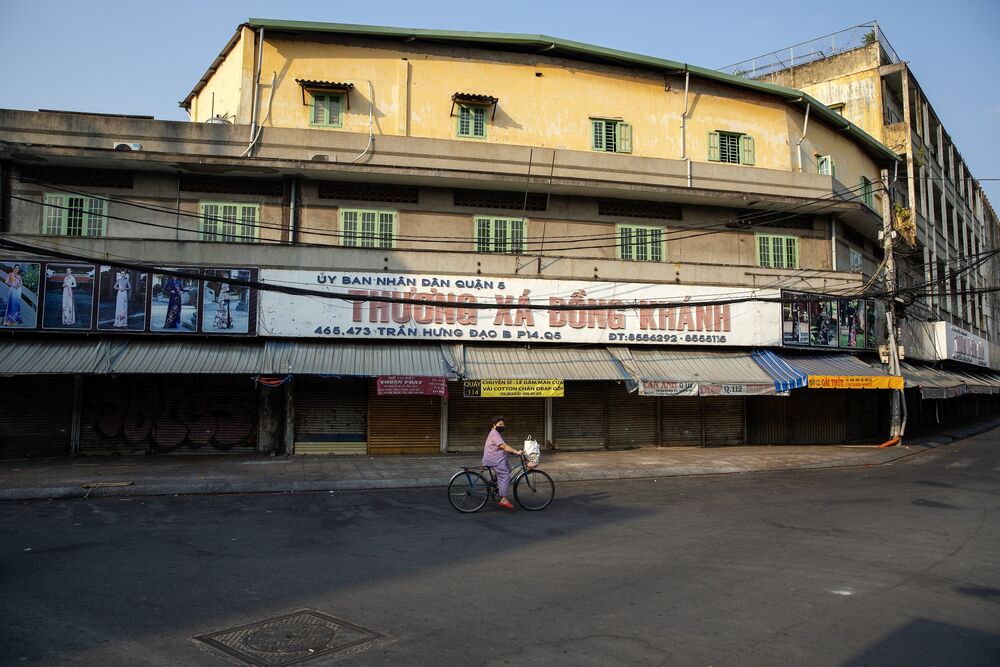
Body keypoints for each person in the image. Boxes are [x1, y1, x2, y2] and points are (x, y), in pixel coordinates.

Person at [482, 416, 522, 510]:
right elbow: (503, 446)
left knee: (508, 468)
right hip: (495, 460)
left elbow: (501, 446)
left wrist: (512, 451)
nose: (502, 426)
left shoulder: (495, 433)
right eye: (500, 424)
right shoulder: (495, 434)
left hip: (497, 458)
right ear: (494, 425)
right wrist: (516, 451)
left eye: (503, 425)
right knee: (504, 475)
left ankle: (493, 484)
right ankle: (503, 499)